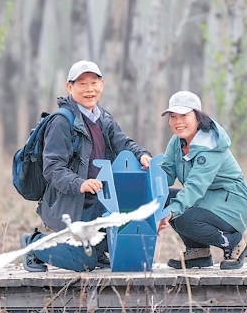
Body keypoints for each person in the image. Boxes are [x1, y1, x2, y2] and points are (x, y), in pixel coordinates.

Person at [20, 60, 152, 272]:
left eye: (94, 83)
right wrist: (79, 183)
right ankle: (34, 244)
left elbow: (123, 144)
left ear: (102, 85)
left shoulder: (103, 117)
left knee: (128, 240)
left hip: (99, 204)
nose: (89, 89)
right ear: (69, 87)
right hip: (72, 205)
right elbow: (52, 167)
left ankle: (97, 250)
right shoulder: (62, 122)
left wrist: (142, 154)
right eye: (82, 84)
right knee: (83, 263)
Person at [157, 90, 247, 270]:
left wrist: (170, 212)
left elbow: (195, 188)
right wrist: (149, 173)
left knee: (183, 217)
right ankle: (198, 252)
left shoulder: (209, 146)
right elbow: (166, 174)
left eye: (184, 115)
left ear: (197, 116)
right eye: (173, 116)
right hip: (207, 201)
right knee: (164, 198)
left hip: (234, 204)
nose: (178, 122)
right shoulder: (177, 142)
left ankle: (234, 243)